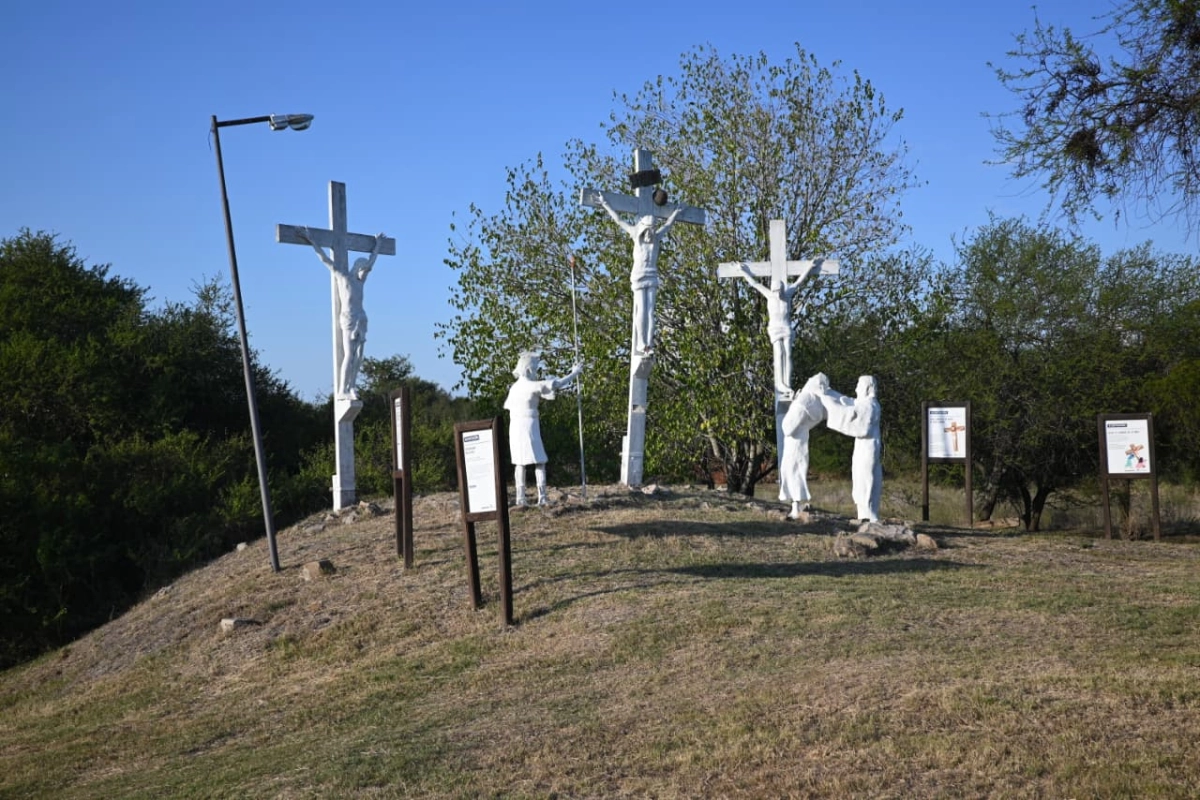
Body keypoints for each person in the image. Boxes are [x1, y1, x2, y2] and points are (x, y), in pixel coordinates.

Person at [296, 227, 385, 399]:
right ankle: (343, 389)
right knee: (349, 355)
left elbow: (372, 261)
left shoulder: (361, 282)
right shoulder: (343, 278)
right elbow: (325, 260)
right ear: (357, 267)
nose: (365, 272)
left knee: (359, 357)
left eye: (366, 270)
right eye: (364, 269)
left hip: (361, 319)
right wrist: (311, 240)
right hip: (349, 319)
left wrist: (378, 245)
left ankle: (352, 386)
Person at [594, 194, 683, 356]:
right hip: (639, 276)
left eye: (652, 230)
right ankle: (641, 343)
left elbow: (669, 225)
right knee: (641, 310)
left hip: (652, 276)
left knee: (650, 312)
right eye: (647, 231)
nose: (649, 234)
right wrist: (605, 204)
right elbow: (619, 221)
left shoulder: (656, 237)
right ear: (642, 229)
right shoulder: (636, 234)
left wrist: (675, 213)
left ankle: (649, 344)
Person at [503, 352, 583, 507]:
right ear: (527, 369)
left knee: (520, 462)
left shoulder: (514, 388)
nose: (535, 371)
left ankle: (522, 497)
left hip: (516, 426)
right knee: (539, 460)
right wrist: (574, 373)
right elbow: (556, 384)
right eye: (534, 367)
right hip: (528, 425)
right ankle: (542, 496)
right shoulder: (531, 385)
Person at [737, 263, 808, 394]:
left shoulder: (787, 295)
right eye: (775, 291)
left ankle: (787, 383)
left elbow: (799, 281)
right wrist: (743, 272)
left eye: (779, 290)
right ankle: (780, 383)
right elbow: (755, 284)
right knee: (779, 354)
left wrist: (809, 267)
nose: (777, 293)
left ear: (782, 289)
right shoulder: (769, 296)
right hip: (775, 329)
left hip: (786, 328)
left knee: (788, 354)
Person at [822, 375, 882, 522]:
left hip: (867, 451)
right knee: (861, 481)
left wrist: (829, 405)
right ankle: (865, 515)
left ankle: (868, 517)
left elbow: (859, 428)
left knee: (865, 482)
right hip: (864, 450)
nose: (856, 389)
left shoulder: (869, 406)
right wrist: (827, 392)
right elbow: (848, 401)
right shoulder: (867, 404)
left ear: (868, 389)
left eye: (859, 386)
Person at [779, 373, 829, 519]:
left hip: (795, 442)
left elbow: (788, 427)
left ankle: (796, 508)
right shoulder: (813, 401)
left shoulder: (806, 400)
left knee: (794, 471)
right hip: (797, 441)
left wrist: (794, 404)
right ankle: (795, 505)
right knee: (791, 471)